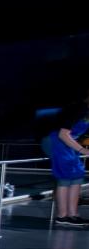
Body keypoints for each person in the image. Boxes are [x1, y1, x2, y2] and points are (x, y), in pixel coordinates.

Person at [41, 93, 89, 226]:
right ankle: (62, 216)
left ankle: (73, 214)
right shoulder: (79, 109)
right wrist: (82, 150)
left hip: (69, 143)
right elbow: (63, 134)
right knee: (66, 176)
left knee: (78, 175)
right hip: (56, 141)